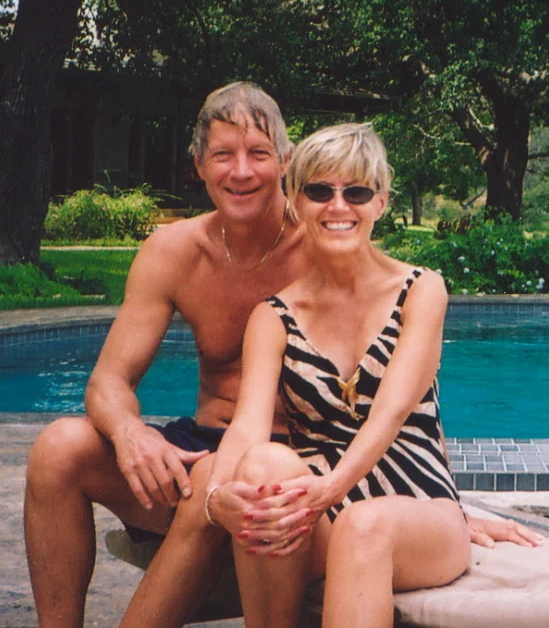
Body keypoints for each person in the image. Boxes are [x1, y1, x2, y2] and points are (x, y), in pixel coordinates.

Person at [24, 85, 541, 628]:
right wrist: (132, 434)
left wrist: (446, 509)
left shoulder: (331, 240)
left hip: (303, 468)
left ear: (285, 166)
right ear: (198, 164)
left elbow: (398, 406)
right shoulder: (178, 255)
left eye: (259, 154)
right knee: (60, 448)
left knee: (244, 480)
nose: (242, 172)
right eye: (224, 154)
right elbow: (108, 381)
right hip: (231, 461)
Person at [202, 122, 477, 627]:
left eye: (356, 191)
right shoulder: (274, 316)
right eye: (320, 191)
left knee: (364, 524)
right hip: (318, 504)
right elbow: (246, 427)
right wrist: (218, 498)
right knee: (263, 466)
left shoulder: (421, 289)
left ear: (381, 202)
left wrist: (329, 489)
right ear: (295, 199)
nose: (338, 206)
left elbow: (391, 413)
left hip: (417, 504)